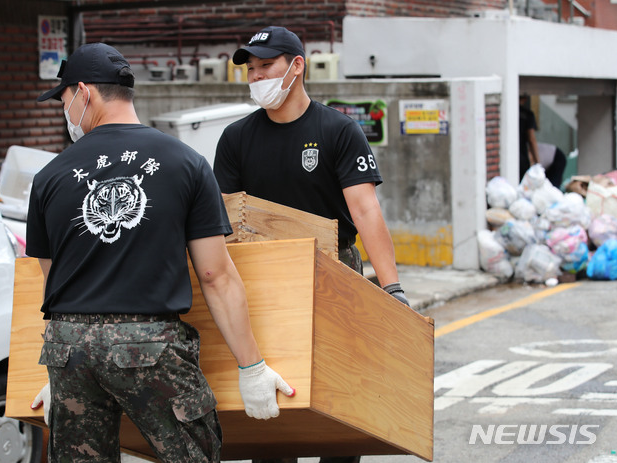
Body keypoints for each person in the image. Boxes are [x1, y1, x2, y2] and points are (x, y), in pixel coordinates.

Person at [25, 42, 294, 463]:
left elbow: (52, 279)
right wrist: (251, 367)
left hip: (68, 347)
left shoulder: (49, 177)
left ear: (84, 92)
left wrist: (65, 372)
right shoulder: (185, 163)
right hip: (148, 347)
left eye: (63, 98)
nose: (64, 109)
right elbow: (214, 276)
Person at [213, 26, 409, 463]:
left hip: (334, 271)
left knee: (338, 399)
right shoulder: (235, 139)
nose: (256, 76)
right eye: (251, 69)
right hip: (264, 279)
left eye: (267, 66)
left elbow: (365, 210)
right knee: (276, 403)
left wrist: (392, 288)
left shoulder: (338, 130)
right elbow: (225, 220)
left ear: (296, 66)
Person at [519, 93, 540, 181]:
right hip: (522, 158)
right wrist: (537, 163)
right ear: (525, 99)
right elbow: (531, 139)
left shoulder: (507, 111)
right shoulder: (527, 114)